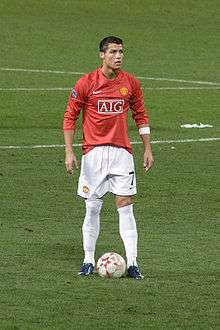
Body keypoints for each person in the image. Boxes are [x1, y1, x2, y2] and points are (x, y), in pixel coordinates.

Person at [63, 36, 154, 280]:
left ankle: (133, 263)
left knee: (126, 207)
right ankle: (88, 259)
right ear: (102, 55)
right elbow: (70, 117)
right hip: (93, 155)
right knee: (92, 208)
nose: (119, 56)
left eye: (121, 51)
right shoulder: (86, 83)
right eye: (113, 51)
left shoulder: (131, 83)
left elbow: (141, 115)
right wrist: (69, 151)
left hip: (122, 154)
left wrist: (147, 148)